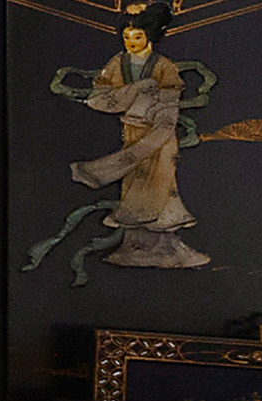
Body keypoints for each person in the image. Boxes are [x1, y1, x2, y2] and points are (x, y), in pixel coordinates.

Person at [40, 15, 213, 276]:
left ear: (149, 37)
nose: (132, 43)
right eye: (127, 38)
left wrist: (159, 123)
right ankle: (135, 246)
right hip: (132, 129)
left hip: (161, 132)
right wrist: (137, 90)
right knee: (135, 180)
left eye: (138, 37)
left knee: (162, 182)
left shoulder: (164, 65)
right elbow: (102, 94)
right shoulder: (117, 63)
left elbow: (170, 101)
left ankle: (166, 248)